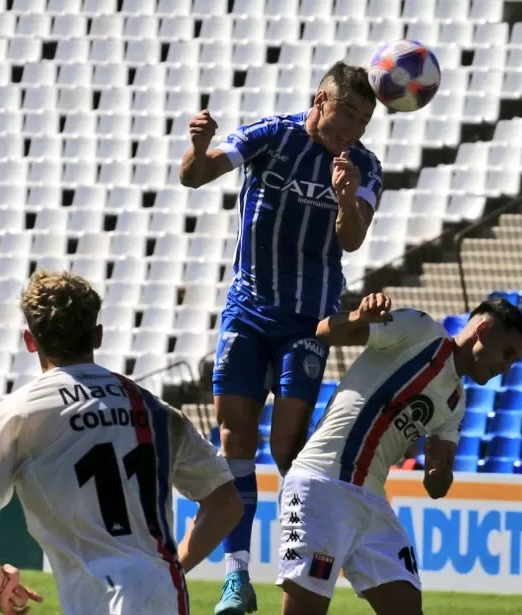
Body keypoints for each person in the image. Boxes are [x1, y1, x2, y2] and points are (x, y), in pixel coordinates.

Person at [179, 60, 383, 614]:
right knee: (233, 440)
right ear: (321, 99)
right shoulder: (272, 135)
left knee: (287, 448)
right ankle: (236, 578)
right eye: (347, 114)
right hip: (247, 311)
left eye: (364, 119)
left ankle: (306, 567)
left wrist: (345, 198)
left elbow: (354, 239)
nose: (353, 129)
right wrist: (199, 148)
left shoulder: (363, 165)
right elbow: (196, 176)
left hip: (308, 322)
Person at [0, 270, 243, 615]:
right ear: (98, 335)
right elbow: (226, 502)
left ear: (30, 341)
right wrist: (174, 566)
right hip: (157, 593)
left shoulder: (17, 413)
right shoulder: (152, 408)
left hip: (89, 598)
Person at [276, 293, 522, 615]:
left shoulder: (455, 401)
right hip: (322, 484)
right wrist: (360, 317)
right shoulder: (420, 330)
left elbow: (435, 486)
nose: (506, 369)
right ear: (482, 330)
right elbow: (325, 331)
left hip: (371, 501)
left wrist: (440, 470)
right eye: (507, 354)